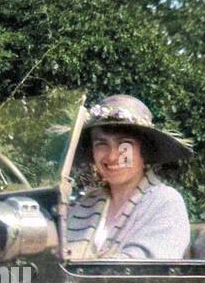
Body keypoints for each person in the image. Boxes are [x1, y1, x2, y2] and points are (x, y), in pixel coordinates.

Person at [64, 94, 193, 260]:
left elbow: (140, 272)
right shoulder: (84, 203)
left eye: (125, 144)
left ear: (144, 151)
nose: (111, 157)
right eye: (101, 144)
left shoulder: (165, 202)